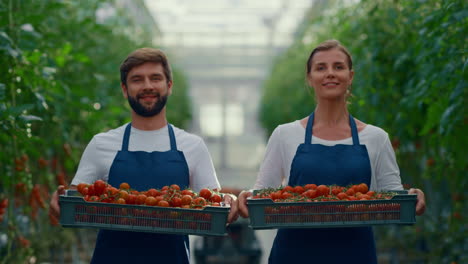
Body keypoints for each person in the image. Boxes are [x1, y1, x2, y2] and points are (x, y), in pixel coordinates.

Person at [238, 39, 426, 263]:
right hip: (294, 253)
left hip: (354, 253)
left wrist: (412, 197)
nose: (330, 73)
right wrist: (247, 197)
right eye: (321, 68)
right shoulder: (284, 135)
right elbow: (264, 193)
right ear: (310, 78)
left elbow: (392, 199)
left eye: (338, 67)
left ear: (351, 76)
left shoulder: (376, 138)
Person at [49, 48, 238, 263]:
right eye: (137, 80)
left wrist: (229, 201)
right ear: (125, 89)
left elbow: (213, 204)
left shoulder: (193, 146)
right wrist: (61, 203)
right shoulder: (101, 144)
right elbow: (78, 200)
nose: (147, 85)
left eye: (155, 78)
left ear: (169, 86)